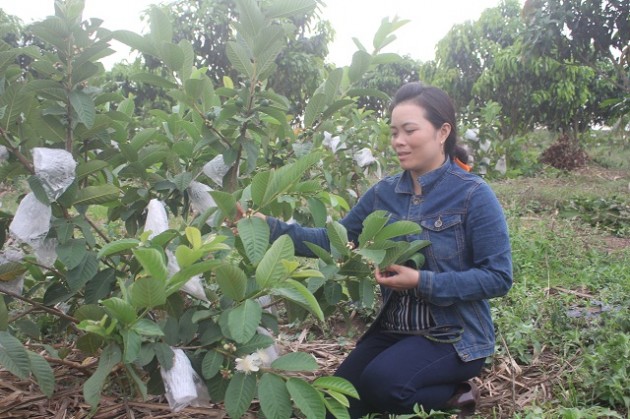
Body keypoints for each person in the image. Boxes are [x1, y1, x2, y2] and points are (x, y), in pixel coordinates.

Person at [247, 82, 513, 417]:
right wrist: (265, 226)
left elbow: (498, 277)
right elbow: (335, 240)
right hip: (394, 330)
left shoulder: (473, 195)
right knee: (334, 406)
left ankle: (453, 394)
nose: (398, 141)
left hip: (453, 337)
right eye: (393, 132)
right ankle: (423, 386)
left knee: (381, 384)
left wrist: (421, 281)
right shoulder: (383, 194)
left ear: (442, 131)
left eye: (409, 130)